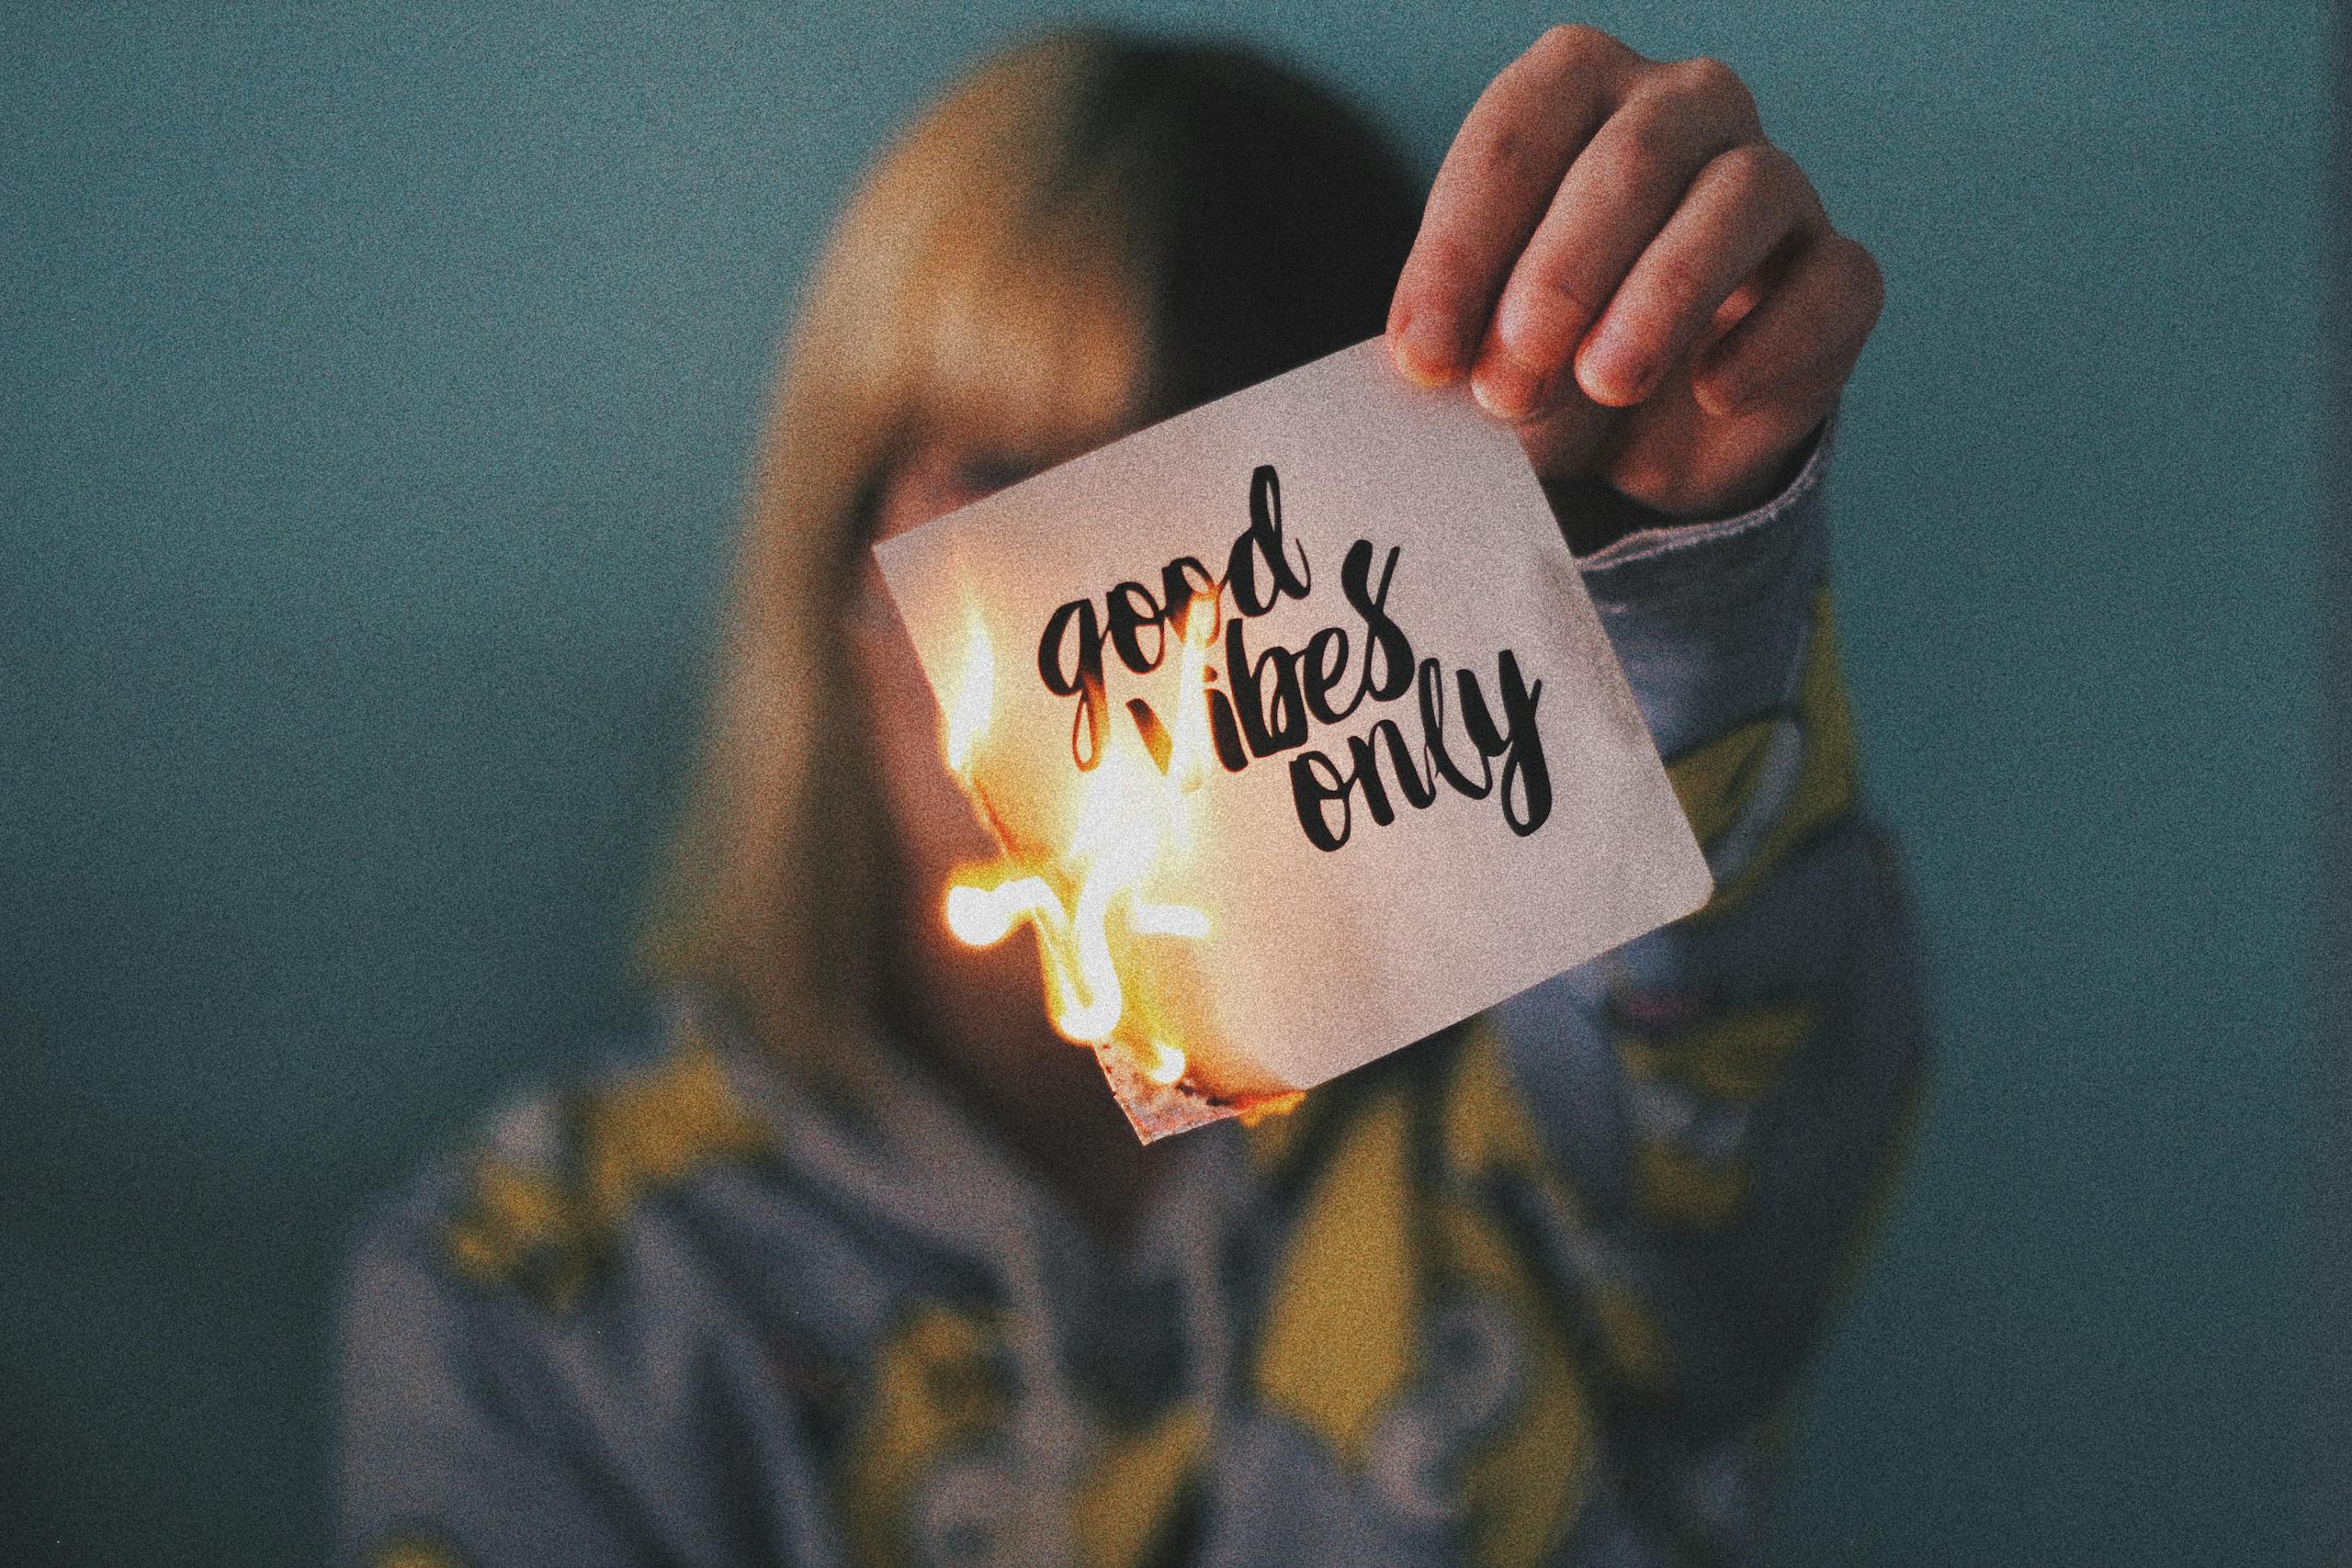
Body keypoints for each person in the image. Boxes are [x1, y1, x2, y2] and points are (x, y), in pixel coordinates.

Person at [336, 25, 1924, 1568]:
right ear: (840, 575)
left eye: (1237, 527)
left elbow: (1720, 1012)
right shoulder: (547, 1291)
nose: (1158, 653)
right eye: (1020, 495)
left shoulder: (1549, 1167)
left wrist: (1683, 569)